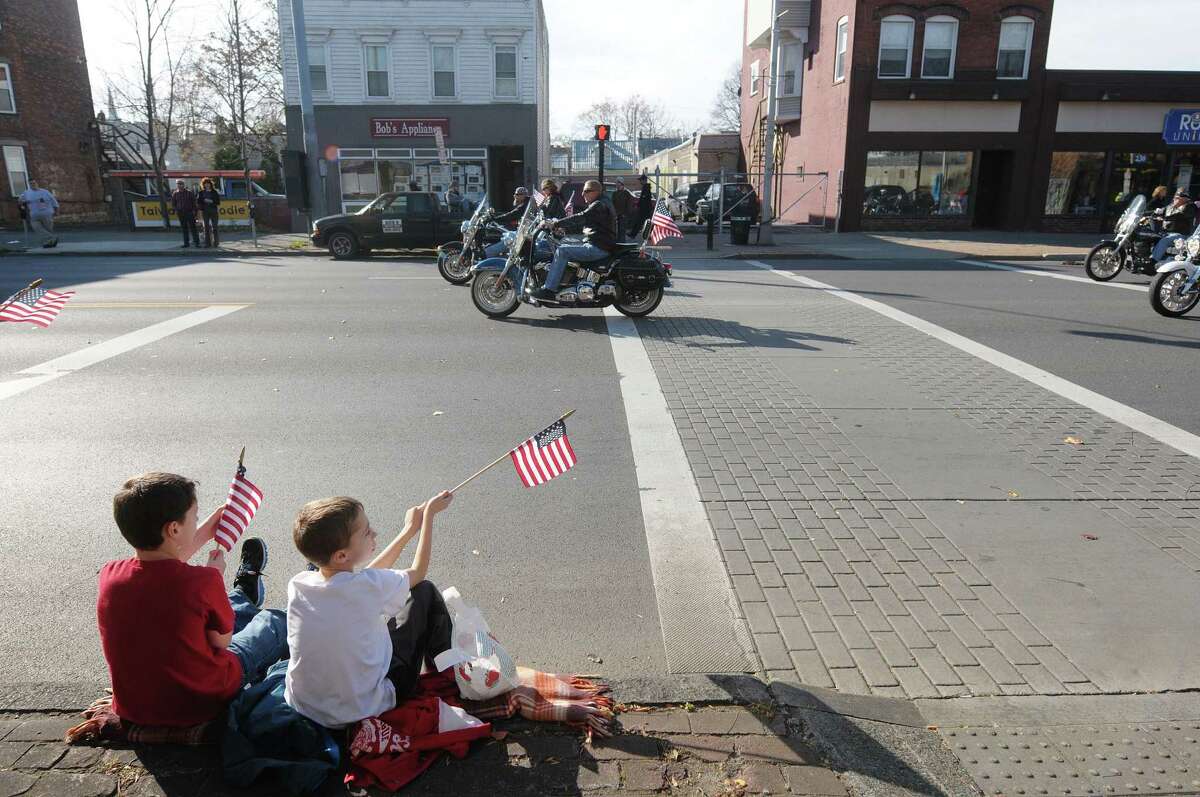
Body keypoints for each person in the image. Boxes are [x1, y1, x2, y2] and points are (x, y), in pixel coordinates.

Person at [97, 472, 286, 727]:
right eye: (194, 517)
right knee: (273, 621)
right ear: (174, 528)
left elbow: (162, 569)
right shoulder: (202, 581)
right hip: (202, 700)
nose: (197, 522)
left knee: (209, 610)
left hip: (137, 706)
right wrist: (216, 579)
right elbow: (222, 641)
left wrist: (208, 529)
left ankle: (243, 594)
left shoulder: (110, 574)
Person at [283, 490, 455, 729]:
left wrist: (407, 531)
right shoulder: (366, 587)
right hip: (365, 706)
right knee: (424, 592)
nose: (374, 533)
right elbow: (418, 571)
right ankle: (446, 674)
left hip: (308, 706)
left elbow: (367, 578)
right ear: (341, 555)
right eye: (366, 532)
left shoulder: (299, 585)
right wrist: (428, 518)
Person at [535, 179, 617, 301]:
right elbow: (585, 225)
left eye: (586, 191)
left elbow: (581, 217)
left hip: (598, 247)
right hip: (597, 242)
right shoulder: (601, 203)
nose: (583, 194)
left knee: (562, 251)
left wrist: (555, 223)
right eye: (583, 191)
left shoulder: (599, 204)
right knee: (563, 244)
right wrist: (564, 230)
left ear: (596, 191)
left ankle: (549, 289)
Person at [1153, 188, 1198, 262]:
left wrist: (1164, 217)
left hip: (1181, 235)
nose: (1175, 199)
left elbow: (1179, 215)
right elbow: (1161, 211)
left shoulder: (1190, 206)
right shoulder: (1170, 206)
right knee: (1151, 236)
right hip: (1165, 232)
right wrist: (1153, 213)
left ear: (1185, 199)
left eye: (1178, 198)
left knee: (1165, 240)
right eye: (1175, 197)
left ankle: (1153, 260)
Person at [18, 179, 59, 248]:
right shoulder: (26, 193)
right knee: (36, 227)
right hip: (34, 215)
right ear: (29, 185)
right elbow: (20, 201)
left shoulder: (45, 192)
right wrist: (22, 202)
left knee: (48, 229)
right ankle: (52, 238)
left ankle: (48, 243)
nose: (33, 184)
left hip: (47, 213)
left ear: (37, 183)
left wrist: (57, 210)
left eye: (34, 183)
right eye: (31, 183)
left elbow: (54, 201)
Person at [170, 179, 200, 248]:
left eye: (181, 184)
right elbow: (173, 204)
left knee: (193, 228)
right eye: (178, 184)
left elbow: (194, 203)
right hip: (181, 213)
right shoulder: (175, 193)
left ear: (184, 185)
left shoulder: (189, 193)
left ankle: (197, 243)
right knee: (184, 228)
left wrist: (195, 213)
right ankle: (186, 243)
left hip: (189, 212)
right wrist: (176, 210)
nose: (180, 185)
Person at [197, 178, 222, 248]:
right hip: (205, 211)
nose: (207, 185)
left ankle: (216, 242)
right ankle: (207, 243)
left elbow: (218, 202)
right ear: (203, 185)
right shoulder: (201, 192)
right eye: (205, 184)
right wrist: (203, 201)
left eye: (208, 183)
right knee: (206, 227)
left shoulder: (214, 192)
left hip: (213, 211)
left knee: (215, 227)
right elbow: (198, 202)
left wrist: (211, 201)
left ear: (211, 184)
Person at [631, 174, 655, 240]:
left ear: (644, 180)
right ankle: (633, 234)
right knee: (641, 222)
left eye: (641, 180)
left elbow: (644, 199)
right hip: (644, 209)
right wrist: (638, 205)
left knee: (642, 222)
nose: (640, 182)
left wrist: (639, 205)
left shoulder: (646, 188)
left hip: (645, 209)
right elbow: (642, 199)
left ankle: (633, 234)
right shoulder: (645, 187)